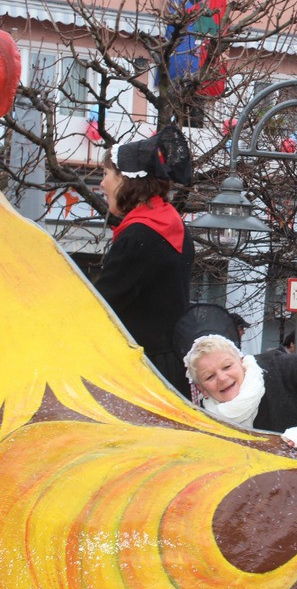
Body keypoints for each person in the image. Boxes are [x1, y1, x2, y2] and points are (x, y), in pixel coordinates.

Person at [95, 125, 194, 396]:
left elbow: (101, 305)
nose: (102, 184)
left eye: (106, 174)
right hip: (167, 365)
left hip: (144, 371)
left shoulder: (140, 235)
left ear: (126, 179)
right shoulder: (171, 225)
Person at [184, 334, 297, 448]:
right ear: (202, 390)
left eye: (227, 366)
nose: (222, 378)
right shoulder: (202, 420)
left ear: (242, 363)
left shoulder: (277, 368)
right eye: (210, 377)